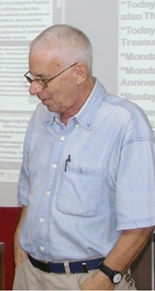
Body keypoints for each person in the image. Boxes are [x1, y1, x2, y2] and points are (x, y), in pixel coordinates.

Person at [13, 24, 155, 290]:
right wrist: (20, 244)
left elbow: (141, 223)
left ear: (79, 72)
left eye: (42, 79)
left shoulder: (124, 123)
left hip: (88, 280)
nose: (34, 89)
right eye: (31, 78)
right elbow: (31, 194)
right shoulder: (40, 118)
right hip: (30, 277)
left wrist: (104, 279)